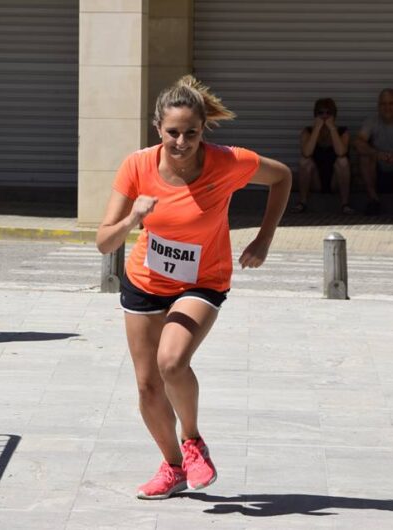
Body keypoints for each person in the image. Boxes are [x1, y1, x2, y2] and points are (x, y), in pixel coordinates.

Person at [96, 75, 291, 499]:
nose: (181, 142)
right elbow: (103, 242)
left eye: (191, 133)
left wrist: (264, 237)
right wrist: (133, 219)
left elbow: (282, 177)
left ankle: (193, 441)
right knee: (147, 387)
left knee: (172, 361)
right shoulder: (137, 166)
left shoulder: (228, 162)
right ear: (157, 129)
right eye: (172, 133)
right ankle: (172, 467)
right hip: (144, 282)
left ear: (204, 129)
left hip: (202, 280)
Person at [355, 89, 393, 216]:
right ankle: (373, 200)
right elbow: (358, 143)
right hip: (378, 168)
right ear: (378, 106)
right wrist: (376, 154)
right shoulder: (371, 121)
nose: (387, 107)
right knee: (365, 157)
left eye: (391, 103)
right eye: (383, 104)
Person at [291, 98, 354, 214]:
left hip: (335, 180)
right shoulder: (308, 131)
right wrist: (317, 129)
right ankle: (302, 202)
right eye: (321, 113)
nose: (324, 116)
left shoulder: (343, 132)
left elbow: (341, 152)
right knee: (304, 162)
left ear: (334, 115)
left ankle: (345, 203)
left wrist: (332, 128)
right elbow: (306, 153)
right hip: (316, 180)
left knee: (343, 161)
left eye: (328, 113)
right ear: (315, 115)